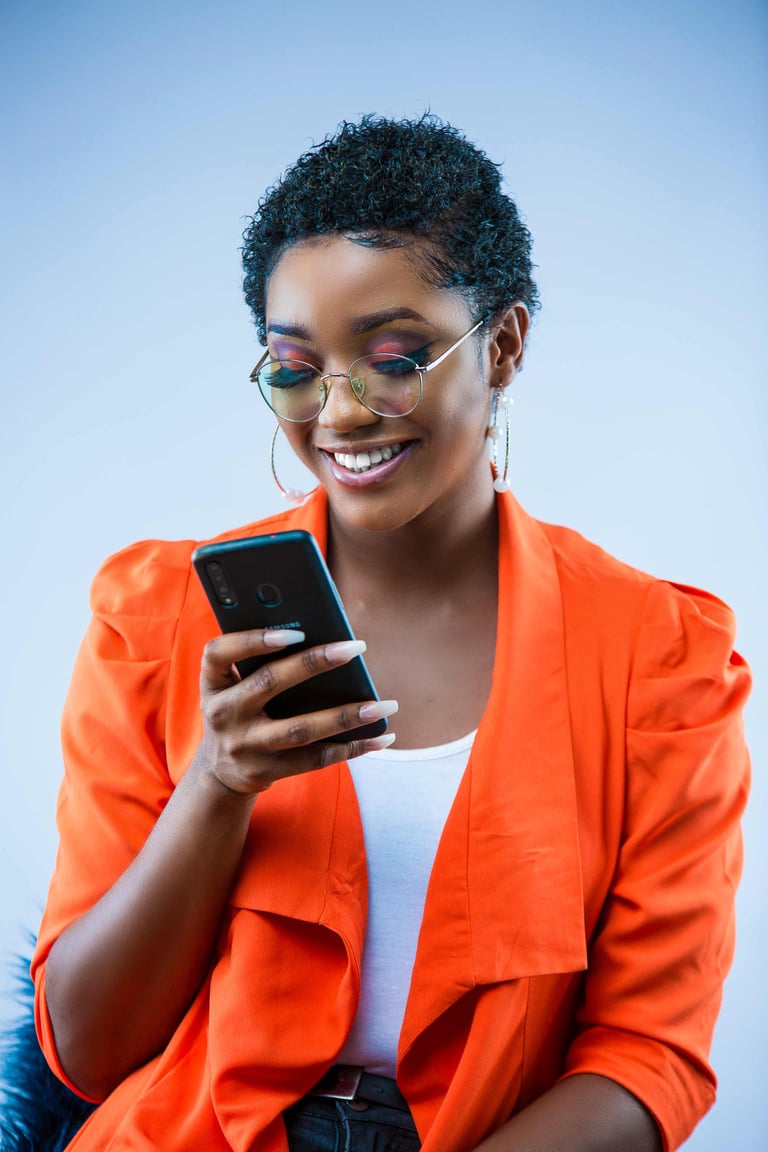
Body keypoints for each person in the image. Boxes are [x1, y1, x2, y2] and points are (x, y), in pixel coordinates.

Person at [30, 115, 751, 1152]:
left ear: (502, 345)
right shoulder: (152, 616)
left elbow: (650, 1056)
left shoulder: (658, 657)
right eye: (295, 367)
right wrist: (219, 787)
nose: (341, 412)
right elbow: (86, 1052)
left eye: (395, 358)